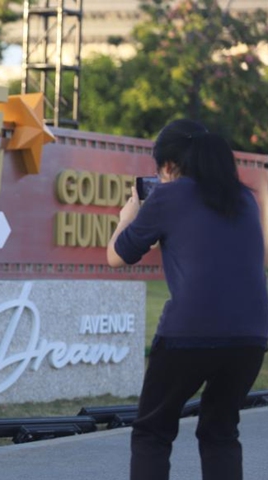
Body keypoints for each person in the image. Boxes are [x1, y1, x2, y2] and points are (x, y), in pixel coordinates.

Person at [107, 119, 268, 480]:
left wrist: (126, 218)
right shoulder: (243, 199)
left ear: (167, 166)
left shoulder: (167, 195)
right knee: (221, 432)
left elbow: (116, 256)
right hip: (251, 338)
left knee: (152, 431)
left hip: (188, 334)